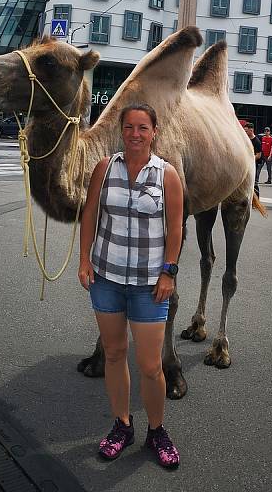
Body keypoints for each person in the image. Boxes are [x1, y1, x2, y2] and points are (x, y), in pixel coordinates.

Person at [79, 103, 182, 468]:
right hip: (106, 279)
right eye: (129, 128)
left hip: (148, 284)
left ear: (154, 132)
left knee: (151, 365)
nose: (135, 134)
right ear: (120, 131)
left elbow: (175, 228)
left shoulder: (167, 174)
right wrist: (84, 258)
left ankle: (158, 430)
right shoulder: (105, 169)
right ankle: (122, 425)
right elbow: (90, 212)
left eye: (142, 128)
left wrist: (169, 272)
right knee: (113, 354)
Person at [243, 122, 262, 197]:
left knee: (254, 182)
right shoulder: (245, 139)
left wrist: (248, 159)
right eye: (244, 131)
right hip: (246, 164)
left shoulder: (256, 141)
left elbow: (258, 155)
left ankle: (256, 199)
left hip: (254, 164)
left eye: (246, 131)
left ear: (251, 130)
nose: (245, 132)